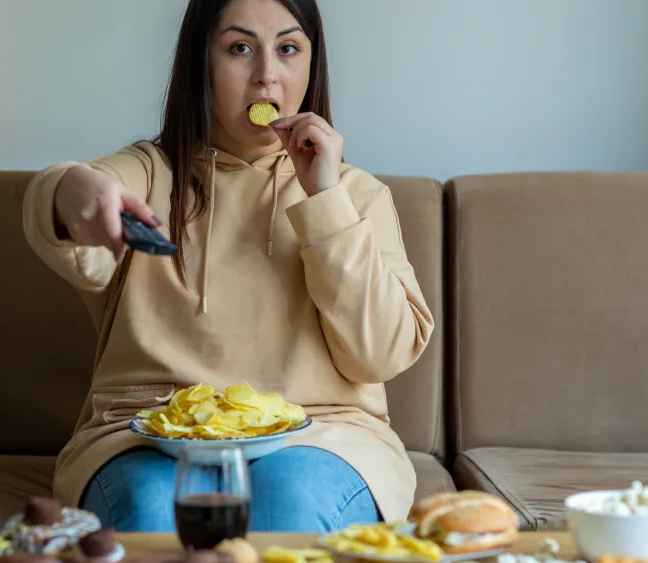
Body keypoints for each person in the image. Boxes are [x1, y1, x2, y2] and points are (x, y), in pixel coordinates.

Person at [22, 0, 434, 533]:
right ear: (202, 62)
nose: (267, 76)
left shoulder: (357, 193)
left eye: (288, 49)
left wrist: (325, 199)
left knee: (288, 507)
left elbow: (381, 353)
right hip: (146, 430)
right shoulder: (148, 173)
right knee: (154, 514)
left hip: (326, 432)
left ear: (312, 64)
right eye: (240, 48)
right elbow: (70, 202)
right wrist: (68, 189)